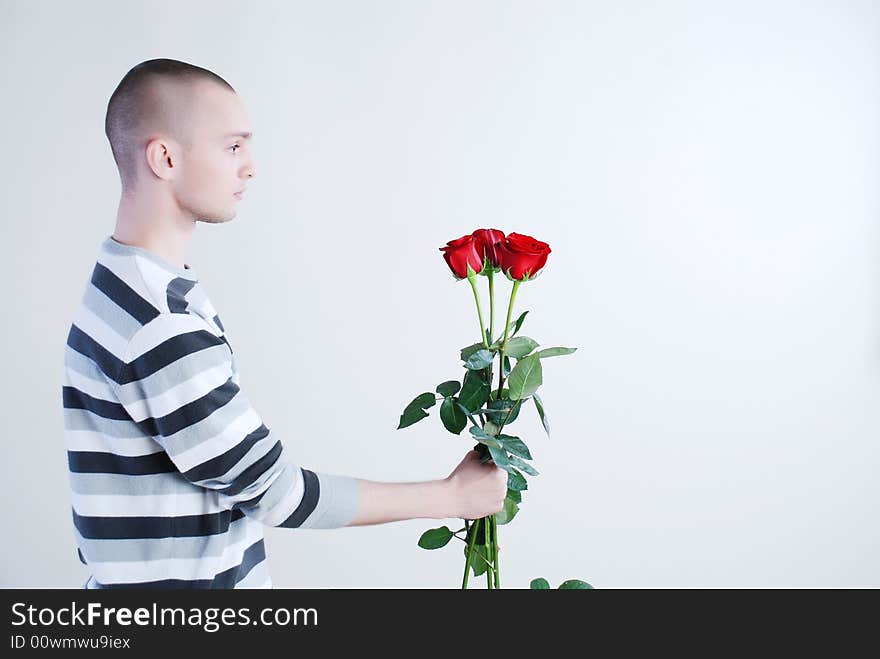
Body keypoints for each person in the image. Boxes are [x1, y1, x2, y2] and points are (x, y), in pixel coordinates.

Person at [62, 58, 507, 589]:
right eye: (232, 147)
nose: (250, 167)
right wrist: (450, 497)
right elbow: (277, 493)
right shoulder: (160, 325)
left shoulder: (121, 285)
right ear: (164, 157)